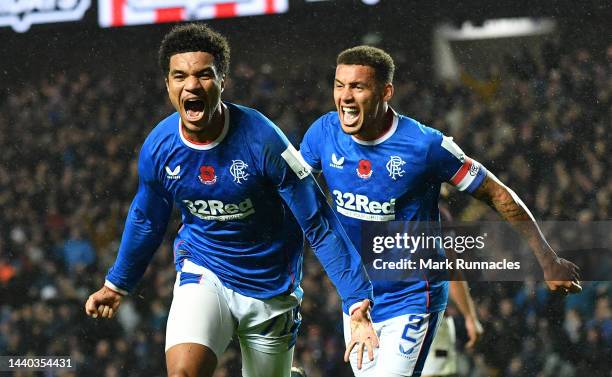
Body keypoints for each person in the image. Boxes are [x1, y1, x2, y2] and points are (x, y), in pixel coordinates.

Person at [84, 24, 379, 377]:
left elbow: (317, 220)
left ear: (222, 81)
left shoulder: (264, 141)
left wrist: (357, 299)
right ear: (168, 85)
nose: (191, 85)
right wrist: (117, 283)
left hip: (270, 285)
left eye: (204, 75)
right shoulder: (159, 148)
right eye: (180, 76)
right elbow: (148, 217)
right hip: (205, 267)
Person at [299, 46, 581, 377]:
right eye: (339, 85)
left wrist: (547, 259)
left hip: (413, 297)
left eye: (358, 87)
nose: (345, 97)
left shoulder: (426, 146)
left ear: (386, 91)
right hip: (358, 301)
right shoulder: (322, 133)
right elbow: (292, 195)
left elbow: (497, 193)